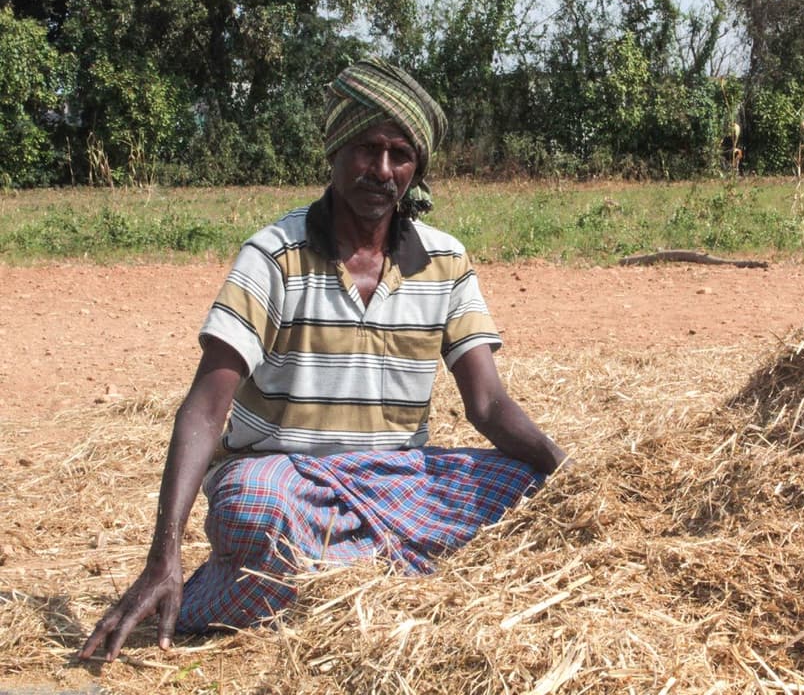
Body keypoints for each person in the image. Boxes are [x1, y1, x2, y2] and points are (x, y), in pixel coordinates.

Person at [79, 59, 566, 661]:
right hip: (288, 479)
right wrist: (163, 556)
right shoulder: (273, 256)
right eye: (366, 149)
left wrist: (568, 475)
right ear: (334, 151)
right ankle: (378, 572)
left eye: (400, 154)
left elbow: (487, 405)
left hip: (396, 481)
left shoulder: (446, 261)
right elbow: (206, 410)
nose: (382, 171)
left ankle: (308, 577)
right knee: (255, 508)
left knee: (524, 491)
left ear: (417, 169)